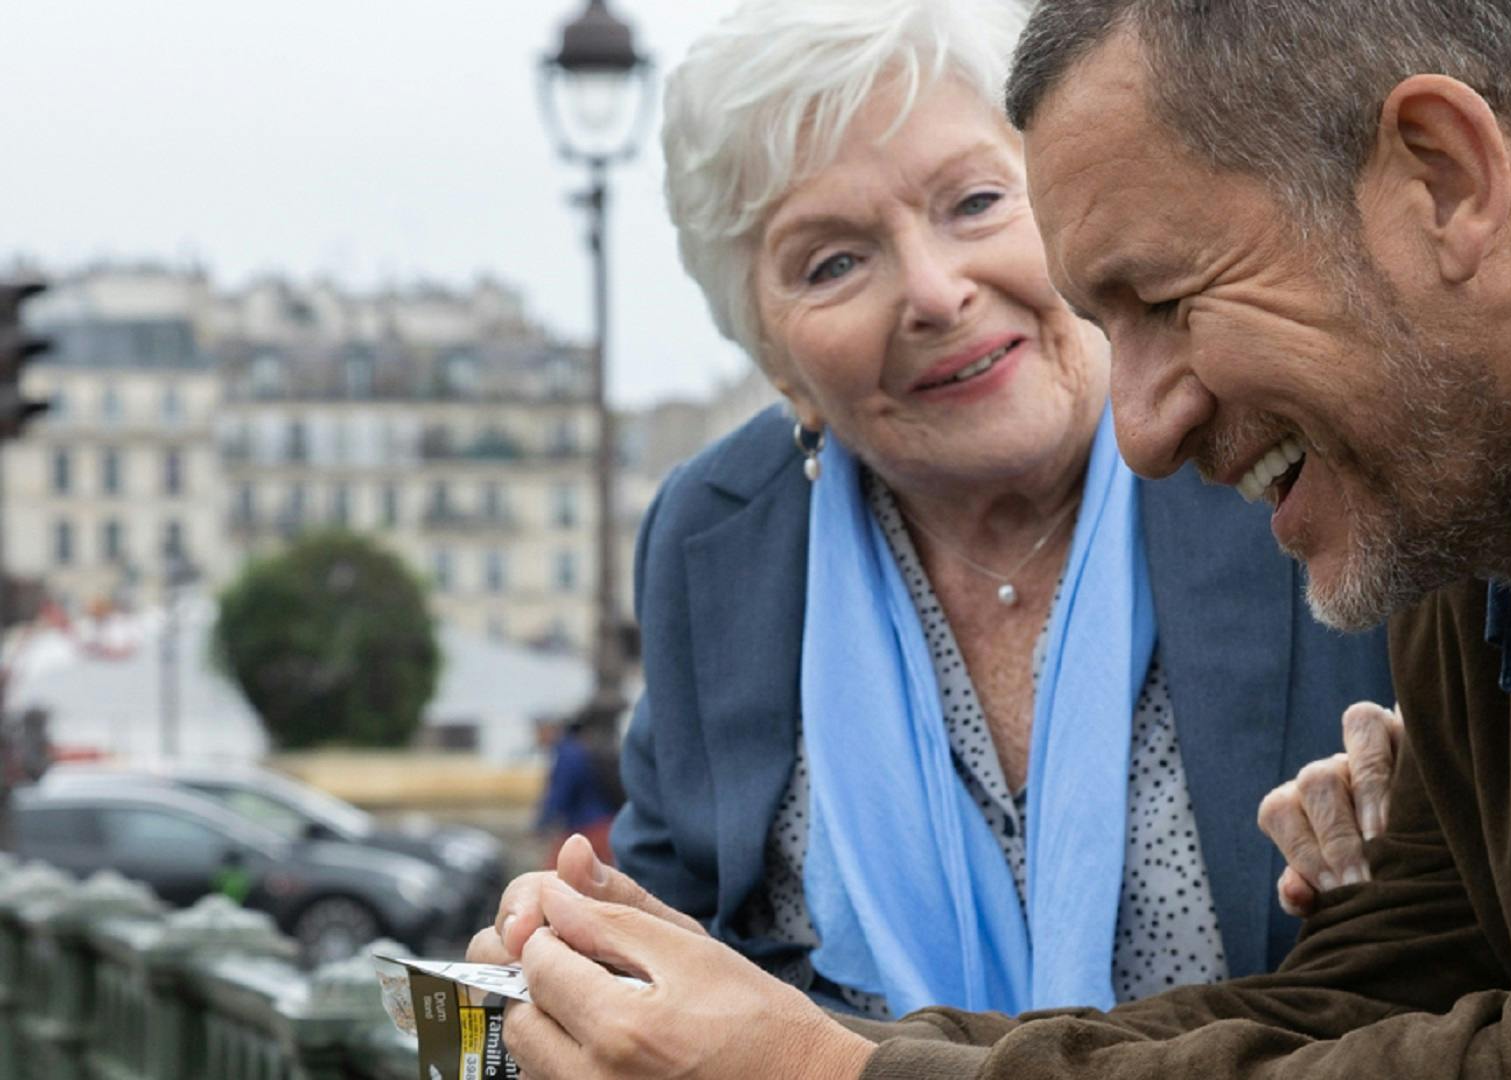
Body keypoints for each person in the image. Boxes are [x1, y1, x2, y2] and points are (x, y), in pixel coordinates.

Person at [467, 0, 1511, 1075]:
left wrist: (829, 1073)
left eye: (1163, 301)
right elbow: (1356, 999)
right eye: (834, 258)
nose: (1143, 426)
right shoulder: (1467, 465)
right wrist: (741, 1039)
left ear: (1446, 180)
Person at [477, 0, 1393, 1025]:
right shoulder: (715, 535)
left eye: (974, 202)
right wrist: (581, 956)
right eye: (832, 262)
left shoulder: (1267, 430)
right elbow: (681, 922)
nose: (934, 289)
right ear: (778, 365)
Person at [531, 708, 624, 867]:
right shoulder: (576, 749)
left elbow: (560, 793)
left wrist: (541, 823)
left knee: (557, 875)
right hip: (603, 824)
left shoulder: (567, 754)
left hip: (588, 827)